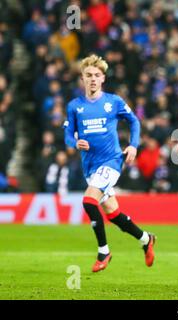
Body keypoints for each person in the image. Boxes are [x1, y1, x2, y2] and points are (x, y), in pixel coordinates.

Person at [64, 54, 156, 272]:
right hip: (90, 167)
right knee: (113, 214)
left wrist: (133, 145)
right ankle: (146, 239)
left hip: (112, 161)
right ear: (82, 79)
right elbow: (67, 134)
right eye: (88, 75)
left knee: (88, 201)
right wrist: (76, 142)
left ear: (103, 78)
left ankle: (103, 251)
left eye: (97, 75)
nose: (93, 79)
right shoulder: (75, 106)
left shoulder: (113, 102)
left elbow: (134, 120)